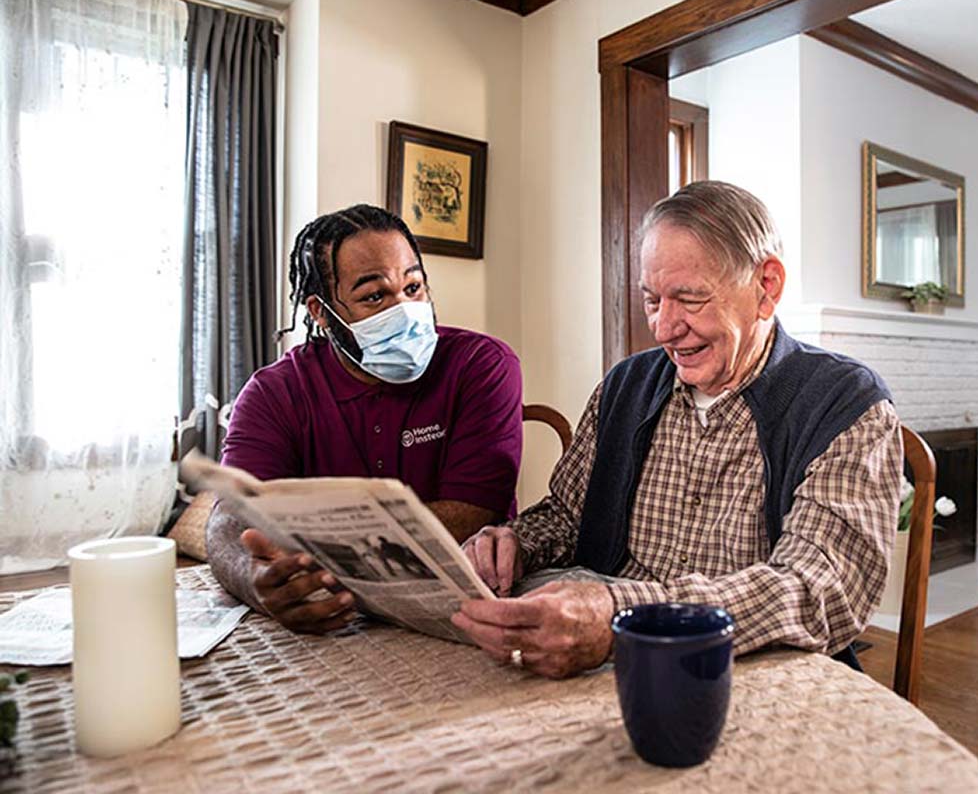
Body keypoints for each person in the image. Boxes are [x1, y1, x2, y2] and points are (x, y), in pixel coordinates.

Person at [453, 181, 902, 678]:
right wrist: (515, 544)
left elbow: (818, 588)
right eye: (651, 300)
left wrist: (626, 615)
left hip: (748, 671)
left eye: (689, 299)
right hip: (604, 668)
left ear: (766, 286)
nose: (664, 328)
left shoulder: (842, 403)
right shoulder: (625, 387)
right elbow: (566, 514)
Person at [207, 204, 523, 634]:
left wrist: (319, 567)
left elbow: (472, 514)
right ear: (321, 312)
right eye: (375, 296)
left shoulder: (481, 364)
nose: (405, 311)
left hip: (466, 605)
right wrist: (256, 580)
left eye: (413, 287)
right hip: (333, 622)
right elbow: (230, 519)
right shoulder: (273, 393)